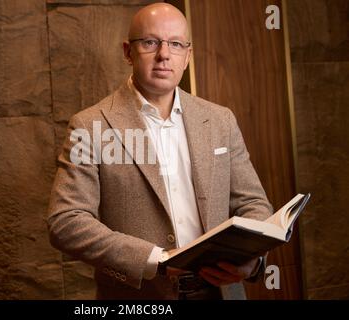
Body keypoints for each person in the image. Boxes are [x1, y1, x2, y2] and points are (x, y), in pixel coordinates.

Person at [47, 2, 273, 300]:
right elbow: (66, 221)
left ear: (187, 56)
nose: (164, 54)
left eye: (176, 44)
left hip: (223, 293)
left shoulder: (220, 120)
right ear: (128, 52)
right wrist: (157, 261)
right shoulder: (89, 126)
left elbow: (254, 204)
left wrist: (251, 261)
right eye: (151, 42)